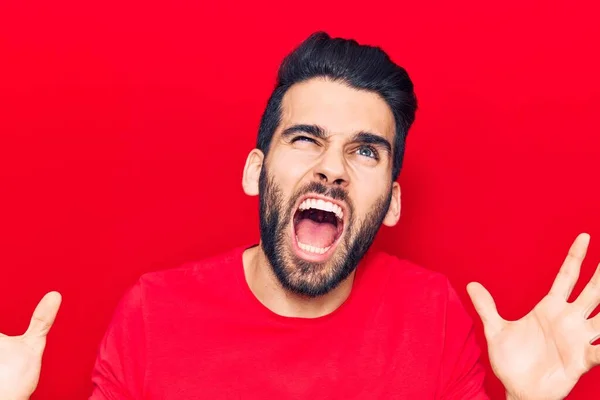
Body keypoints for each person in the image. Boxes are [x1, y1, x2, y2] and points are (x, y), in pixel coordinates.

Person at [1, 31, 599, 400]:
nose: (333, 169)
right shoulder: (152, 316)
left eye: (365, 151)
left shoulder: (434, 318)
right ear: (255, 171)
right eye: (306, 139)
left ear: (391, 202)